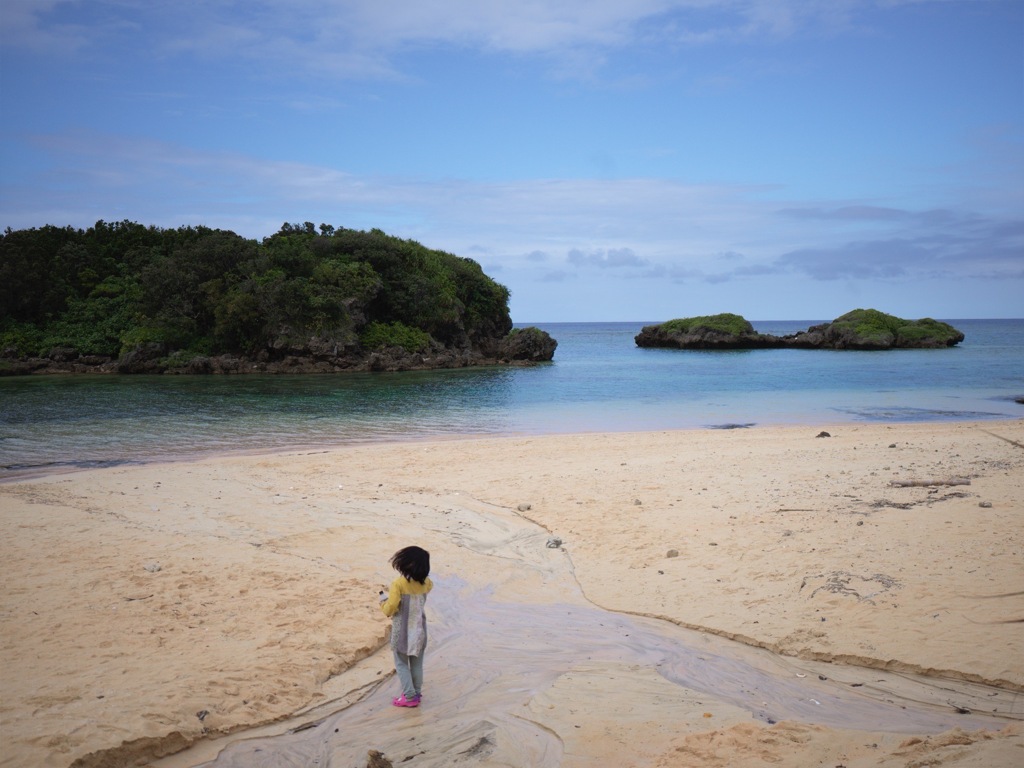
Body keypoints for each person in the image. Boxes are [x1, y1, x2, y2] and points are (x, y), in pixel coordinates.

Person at [379, 545, 432, 708]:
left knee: (401, 664)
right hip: (419, 630)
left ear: (406, 564)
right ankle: (416, 693)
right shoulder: (428, 583)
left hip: (402, 632)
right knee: (417, 664)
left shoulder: (398, 584)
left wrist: (382, 603)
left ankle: (409, 696)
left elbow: (391, 608)